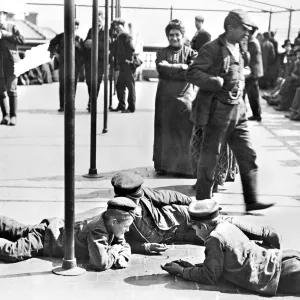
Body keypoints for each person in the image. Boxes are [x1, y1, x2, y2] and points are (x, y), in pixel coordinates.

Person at [185, 9, 274, 212]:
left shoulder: (240, 47)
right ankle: (203, 204)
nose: (247, 32)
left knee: (247, 154)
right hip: (217, 110)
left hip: (238, 110)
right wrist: (213, 81)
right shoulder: (212, 48)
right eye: (243, 28)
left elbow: (236, 71)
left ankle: (251, 200)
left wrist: (244, 73)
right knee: (210, 157)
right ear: (230, 27)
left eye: (249, 29)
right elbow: (192, 72)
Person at [111, 172, 280, 254]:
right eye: (132, 202)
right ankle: (258, 249)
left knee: (220, 223)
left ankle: (266, 234)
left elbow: (170, 196)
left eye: (137, 199)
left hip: (179, 218)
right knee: (218, 242)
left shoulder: (144, 193)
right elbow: (117, 242)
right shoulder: (115, 216)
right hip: (177, 236)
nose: (136, 203)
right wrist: (145, 247)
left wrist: (194, 204)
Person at [161, 199, 300, 296]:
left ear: (203, 227)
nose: (196, 234)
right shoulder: (225, 225)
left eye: (195, 229)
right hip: (281, 260)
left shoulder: (214, 239)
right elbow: (218, 265)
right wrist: (190, 266)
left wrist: (181, 271)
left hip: (277, 275)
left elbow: (209, 276)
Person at [0, 197, 136, 271]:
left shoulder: (108, 220)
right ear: (113, 222)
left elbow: (123, 244)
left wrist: (123, 254)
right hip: (45, 239)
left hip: (52, 229)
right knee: (12, 253)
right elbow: (100, 263)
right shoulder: (98, 231)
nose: (128, 230)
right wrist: (115, 251)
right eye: (126, 226)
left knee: (18, 231)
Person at [153, 19, 198, 176]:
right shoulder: (161, 52)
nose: (174, 38)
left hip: (185, 99)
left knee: (185, 132)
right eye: (171, 35)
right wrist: (181, 67)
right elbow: (161, 68)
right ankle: (164, 165)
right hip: (164, 99)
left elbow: (191, 71)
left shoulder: (191, 53)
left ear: (182, 35)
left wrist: (172, 69)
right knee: (164, 132)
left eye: (177, 35)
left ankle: (184, 167)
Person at [48, 19, 84, 112]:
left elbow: (83, 52)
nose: (75, 27)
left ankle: (71, 105)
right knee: (63, 84)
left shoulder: (79, 38)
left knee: (73, 84)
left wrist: (78, 45)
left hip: (75, 65)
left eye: (77, 25)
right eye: (73, 25)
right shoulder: (61, 36)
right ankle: (62, 105)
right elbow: (51, 44)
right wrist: (56, 54)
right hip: (63, 63)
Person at [0, 10, 24, 126]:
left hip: (11, 63)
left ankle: (13, 116)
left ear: (4, 15)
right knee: (0, 90)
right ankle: (5, 115)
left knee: (12, 89)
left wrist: (6, 34)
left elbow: (22, 40)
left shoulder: (12, 27)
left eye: (0, 14)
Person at [109, 18, 136, 113]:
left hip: (127, 64)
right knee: (120, 85)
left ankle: (131, 107)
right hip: (123, 65)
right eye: (115, 26)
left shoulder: (125, 35)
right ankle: (121, 105)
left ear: (122, 25)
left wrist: (127, 59)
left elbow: (132, 48)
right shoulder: (120, 36)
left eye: (119, 25)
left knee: (130, 85)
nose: (117, 28)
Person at [83, 11, 105, 112]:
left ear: (103, 21)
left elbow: (106, 45)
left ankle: (92, 102)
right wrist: (87, 43)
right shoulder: (91, 30)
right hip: (89, 61)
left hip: (100, 62)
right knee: (89, 82)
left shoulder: (106, 32)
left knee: (97, 83)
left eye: (99, 21)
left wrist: (94, 43)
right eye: (96, 21)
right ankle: (91, 101)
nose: (98, 23)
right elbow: (86, 42)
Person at [245, 26, 264, 122]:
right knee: (253, 94)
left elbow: (248, 58)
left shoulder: (252, 42)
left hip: (253, 72)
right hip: (255, 72)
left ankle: (254, 114)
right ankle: (256, 114)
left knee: (249, 93)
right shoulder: (254, 41)